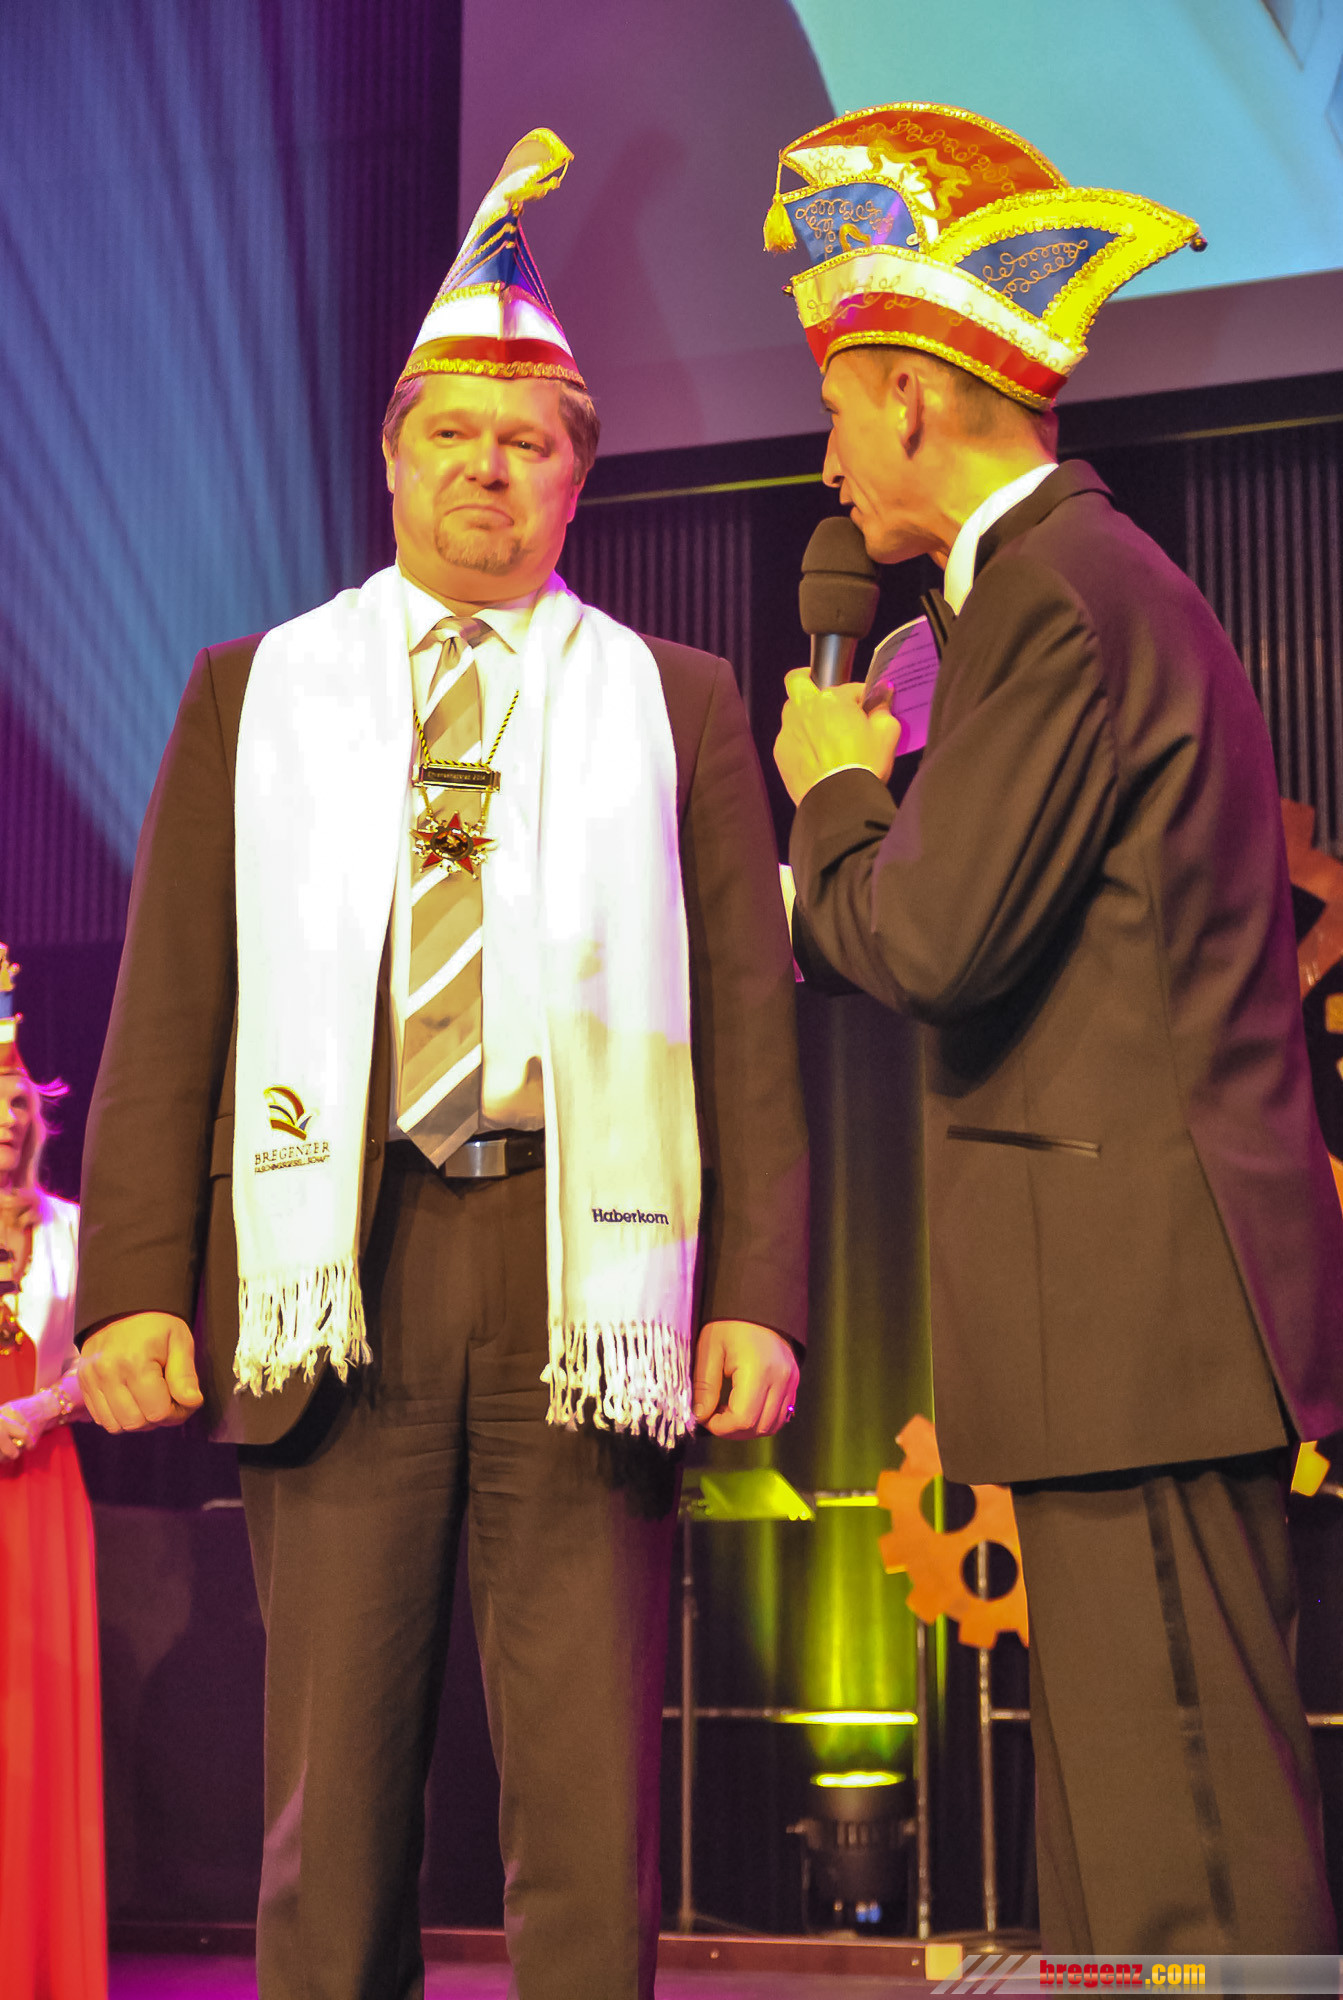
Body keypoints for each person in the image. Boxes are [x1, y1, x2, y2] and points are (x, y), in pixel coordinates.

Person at [74, 130, 807, 2000]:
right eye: (454, 434)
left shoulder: (676, 699)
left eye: (529, 441)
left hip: (583, 1267)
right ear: (391, 458)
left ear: (578, 478)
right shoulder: (258, 691)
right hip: (343, 1257)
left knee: (586, 1803)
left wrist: (758, 1295)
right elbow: (173, 1004)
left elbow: (745, 1021)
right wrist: (136, 1283)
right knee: (331, 1801)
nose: (488, 468)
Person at [767, 105, 1343, 1951]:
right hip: (1112, 1328)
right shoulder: (1054, 592)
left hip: (1138, 1320)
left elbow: (930, 937)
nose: (827, 457)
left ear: (912, 396)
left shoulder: (1058, 598)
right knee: (1119, 1880)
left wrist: (832, 789)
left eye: (839, 406)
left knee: (1189, 1857)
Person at [0, 946, 106, 2000]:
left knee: (37, 1720)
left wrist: (42, 1408)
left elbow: (97, 1363)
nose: (9, 1117)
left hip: (42, 1489)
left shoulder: (73, 1231)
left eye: (21, 1103)